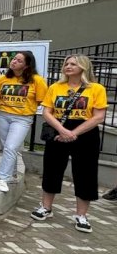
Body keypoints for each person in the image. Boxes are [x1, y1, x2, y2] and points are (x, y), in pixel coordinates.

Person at [31, 55, 107, 233]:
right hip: (59, 129)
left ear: (83, 67)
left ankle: (82, 215)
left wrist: (73, 133)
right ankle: (46, 207)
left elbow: (98, 116)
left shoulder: (96, 88)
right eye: (66, 63)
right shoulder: (56, 87)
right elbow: (47, 112)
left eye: (73, 64)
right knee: (52, 168)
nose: (68, 66)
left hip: (85, 132)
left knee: (85, 173)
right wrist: (62, 130)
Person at [0, 51, 47, 192]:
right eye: (13, 59)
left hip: (22, 118)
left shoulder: (37, 80)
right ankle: (11, 174)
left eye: (18, 60)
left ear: (26, 65)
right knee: (6, 146)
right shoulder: (4, 79)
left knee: (11, 147)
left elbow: (42, 100)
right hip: (3, 115)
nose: (13, 62)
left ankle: (2, 177)